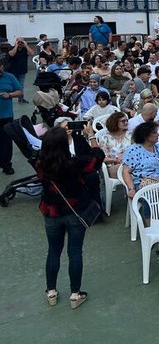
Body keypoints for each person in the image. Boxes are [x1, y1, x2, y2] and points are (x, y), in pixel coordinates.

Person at [36, 126, 104, 309]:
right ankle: (75, 294)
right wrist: (91, 136)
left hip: (51, 212)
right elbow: (97, 157)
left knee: (53, 251)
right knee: (74, 252)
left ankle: (51, 291)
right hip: (75, 211)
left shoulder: (40, 163)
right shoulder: (74, 163)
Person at [122, 121, 159, 198]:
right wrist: (131, 189)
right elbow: (126, 172)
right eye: (155, 133)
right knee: (151, 197)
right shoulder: (133, 150)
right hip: (141, 183)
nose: (158, 134)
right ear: (146, 136)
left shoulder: (158, 147)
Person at [0, 56, 24, 174]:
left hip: (6, 115)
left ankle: (6, 165)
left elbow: (20, 91)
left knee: (6, 141)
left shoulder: (9, 77)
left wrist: (9, 95)